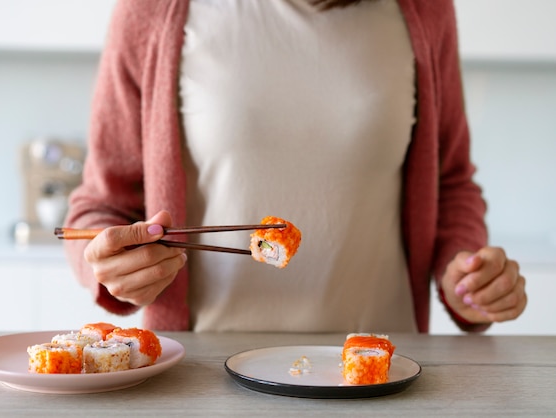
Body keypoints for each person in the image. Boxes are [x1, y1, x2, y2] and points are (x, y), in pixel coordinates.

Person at [64, 0, 527, 333]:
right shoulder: (152, 11)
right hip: (204, 377)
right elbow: (99, 207)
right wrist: (112, 268)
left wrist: (466, 277)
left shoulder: (424, 11)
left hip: (380, 369)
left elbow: (450, 184)